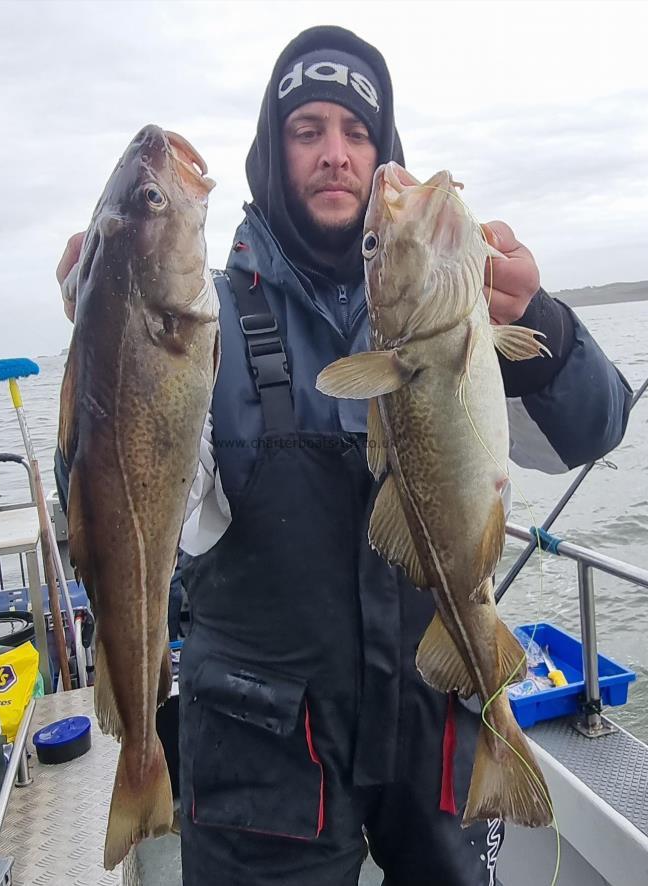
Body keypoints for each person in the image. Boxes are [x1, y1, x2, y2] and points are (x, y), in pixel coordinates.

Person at [56, 25, 632, 886]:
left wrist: (540, 323)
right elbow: (172, 507)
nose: (335, 153)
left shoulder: (442, 305)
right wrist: (114, 347)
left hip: (429, 740)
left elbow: (596, 429)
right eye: (307, 129)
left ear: (383, 148)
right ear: (270, 149)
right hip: (264, 764)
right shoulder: (200, 319)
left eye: (357, 132)